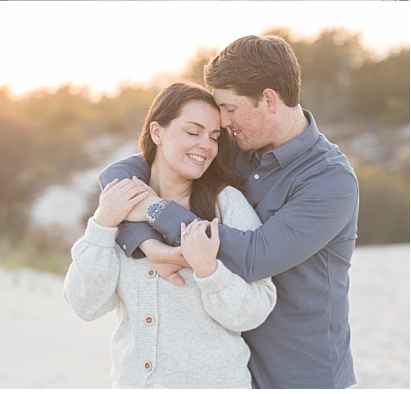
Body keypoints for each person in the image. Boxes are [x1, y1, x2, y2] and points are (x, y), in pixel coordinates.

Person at [100, 35, 361, 388]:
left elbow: (254, 256)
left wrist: (155, 209)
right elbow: (120, 173)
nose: (222, 122)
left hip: (298, 372)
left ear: (269, 99)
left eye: (230, 108)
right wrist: (148, 245)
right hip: (229, 367)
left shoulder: (330, 180)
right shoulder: (235, 148)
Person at [65, 83, 276, 388]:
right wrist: (102, 224)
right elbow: (85, 305)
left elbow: (256, 309)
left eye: (214, 137)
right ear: (157, 132)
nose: (206, 145)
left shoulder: (226, 203)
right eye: (194, 132)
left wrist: (209, 272)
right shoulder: (120, 204)